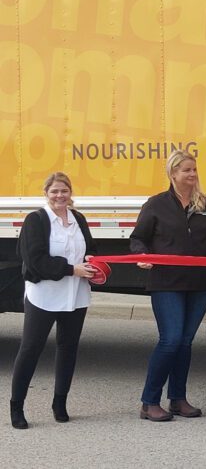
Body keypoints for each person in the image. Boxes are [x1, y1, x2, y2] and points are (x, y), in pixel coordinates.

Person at [131, 150, 206, 422]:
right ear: (173, 173)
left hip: (199, 284)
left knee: (185, 342)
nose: (193, 174)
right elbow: (138, 238)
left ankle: (178, 399)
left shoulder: (205, 205)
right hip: (166, 283)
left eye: (195, 169)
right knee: (171, 339)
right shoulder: (156, 204)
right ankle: (149, 401)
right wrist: (141, 255)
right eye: (187, 170)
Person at [10, 172, 97, 430]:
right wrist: (72, 270)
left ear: (71, 193)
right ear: (46, 194)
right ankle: (17, 406)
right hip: (44, 295)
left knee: (68, 348)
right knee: (30, 349)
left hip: (76, 295)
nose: (60, 196)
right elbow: (35, 260)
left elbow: (90, 248)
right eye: (54, 191)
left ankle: (60, 403)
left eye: (64, 191)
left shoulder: (78, 219)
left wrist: (92, 261)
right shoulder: (36, 220)